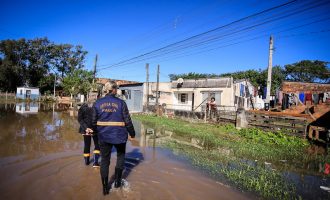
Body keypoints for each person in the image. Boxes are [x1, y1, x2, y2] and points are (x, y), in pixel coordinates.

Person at [92, 81, 135, 195]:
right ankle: (117, 183)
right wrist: (132, 133)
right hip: (119, 136)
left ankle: (105, 189)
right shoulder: (121, 103)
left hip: (103, 136)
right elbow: (127, 120)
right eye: (117, 89)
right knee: (120, 158)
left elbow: (93, 122)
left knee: (105, 161)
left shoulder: (98, 103)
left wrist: (96, 133)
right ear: (114, 89)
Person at [78, 97, 100, 168]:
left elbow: (80, 119)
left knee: (87, 145)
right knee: (97, 145)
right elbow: (99, 118)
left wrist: (86, 128)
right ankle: (95, 163)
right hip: (95, 128)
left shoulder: (82, 107)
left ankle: (87, 162)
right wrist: (92, 128)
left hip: (85, 129)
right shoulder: (97, 107)